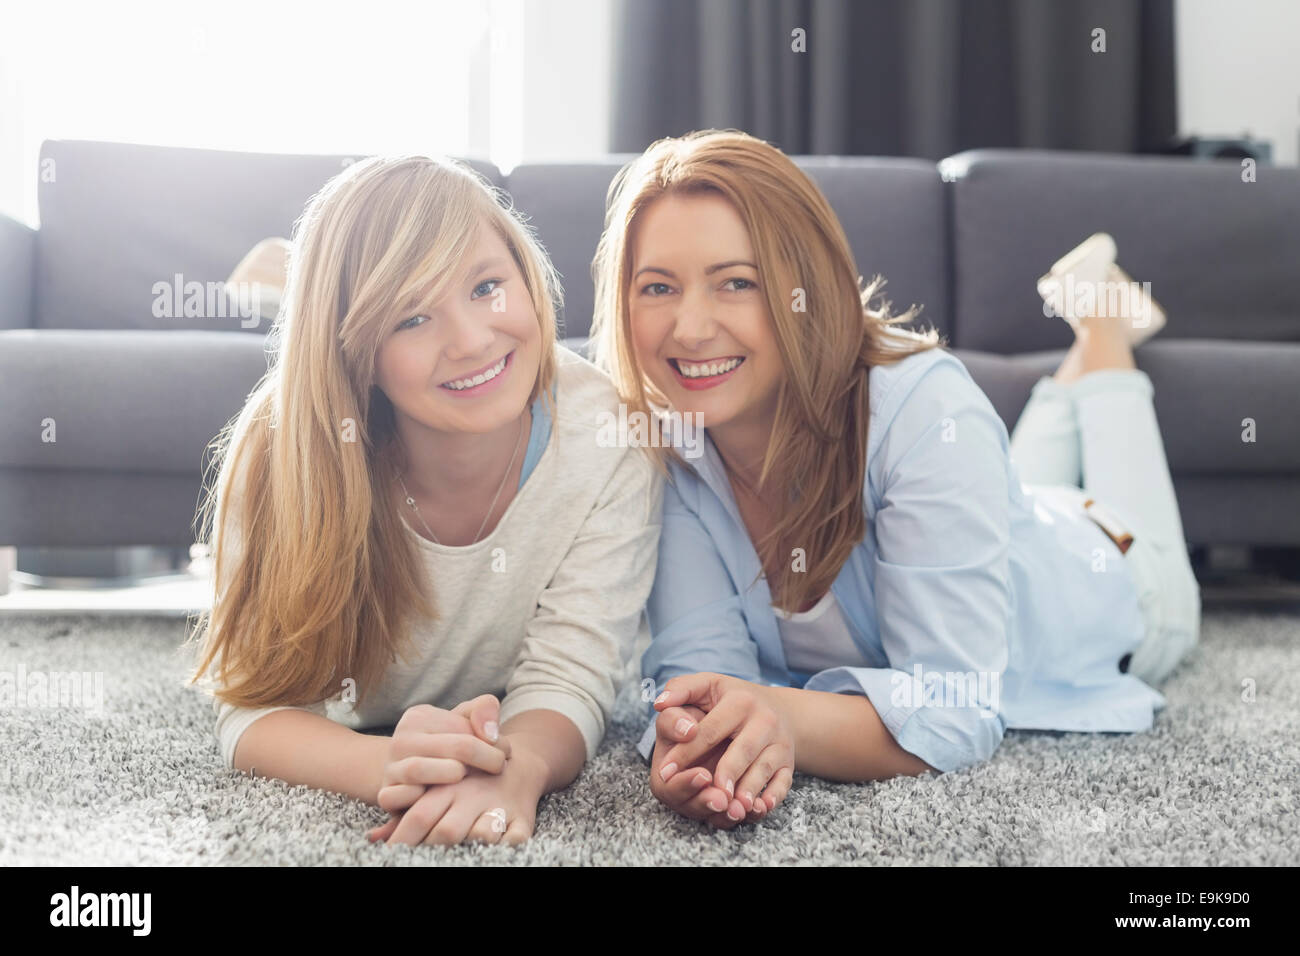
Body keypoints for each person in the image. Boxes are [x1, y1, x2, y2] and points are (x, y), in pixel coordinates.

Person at [588, 129, 1200, 829]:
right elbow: (704, 675)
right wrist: (696, 737)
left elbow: (958, 706)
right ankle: (1082, 350)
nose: (690, 328)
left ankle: (1103, 330)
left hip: (1116, 564)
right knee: (1015, 495)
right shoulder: (665, 446)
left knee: (1103, 413)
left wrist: (778, 714)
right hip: (1011, 516)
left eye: (738, 282)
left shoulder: (924, 406)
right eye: (658, 287)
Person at [185, 154, 663, 846]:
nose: (471, 341)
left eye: (487, 286)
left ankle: (295, 278)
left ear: (527, 276)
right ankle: (282, 279)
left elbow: (571, 678)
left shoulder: (611, 437)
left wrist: (518, 767)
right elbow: (251, 711)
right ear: (358, 353)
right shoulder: (279, 448)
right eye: (411, 317)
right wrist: (388, 764)